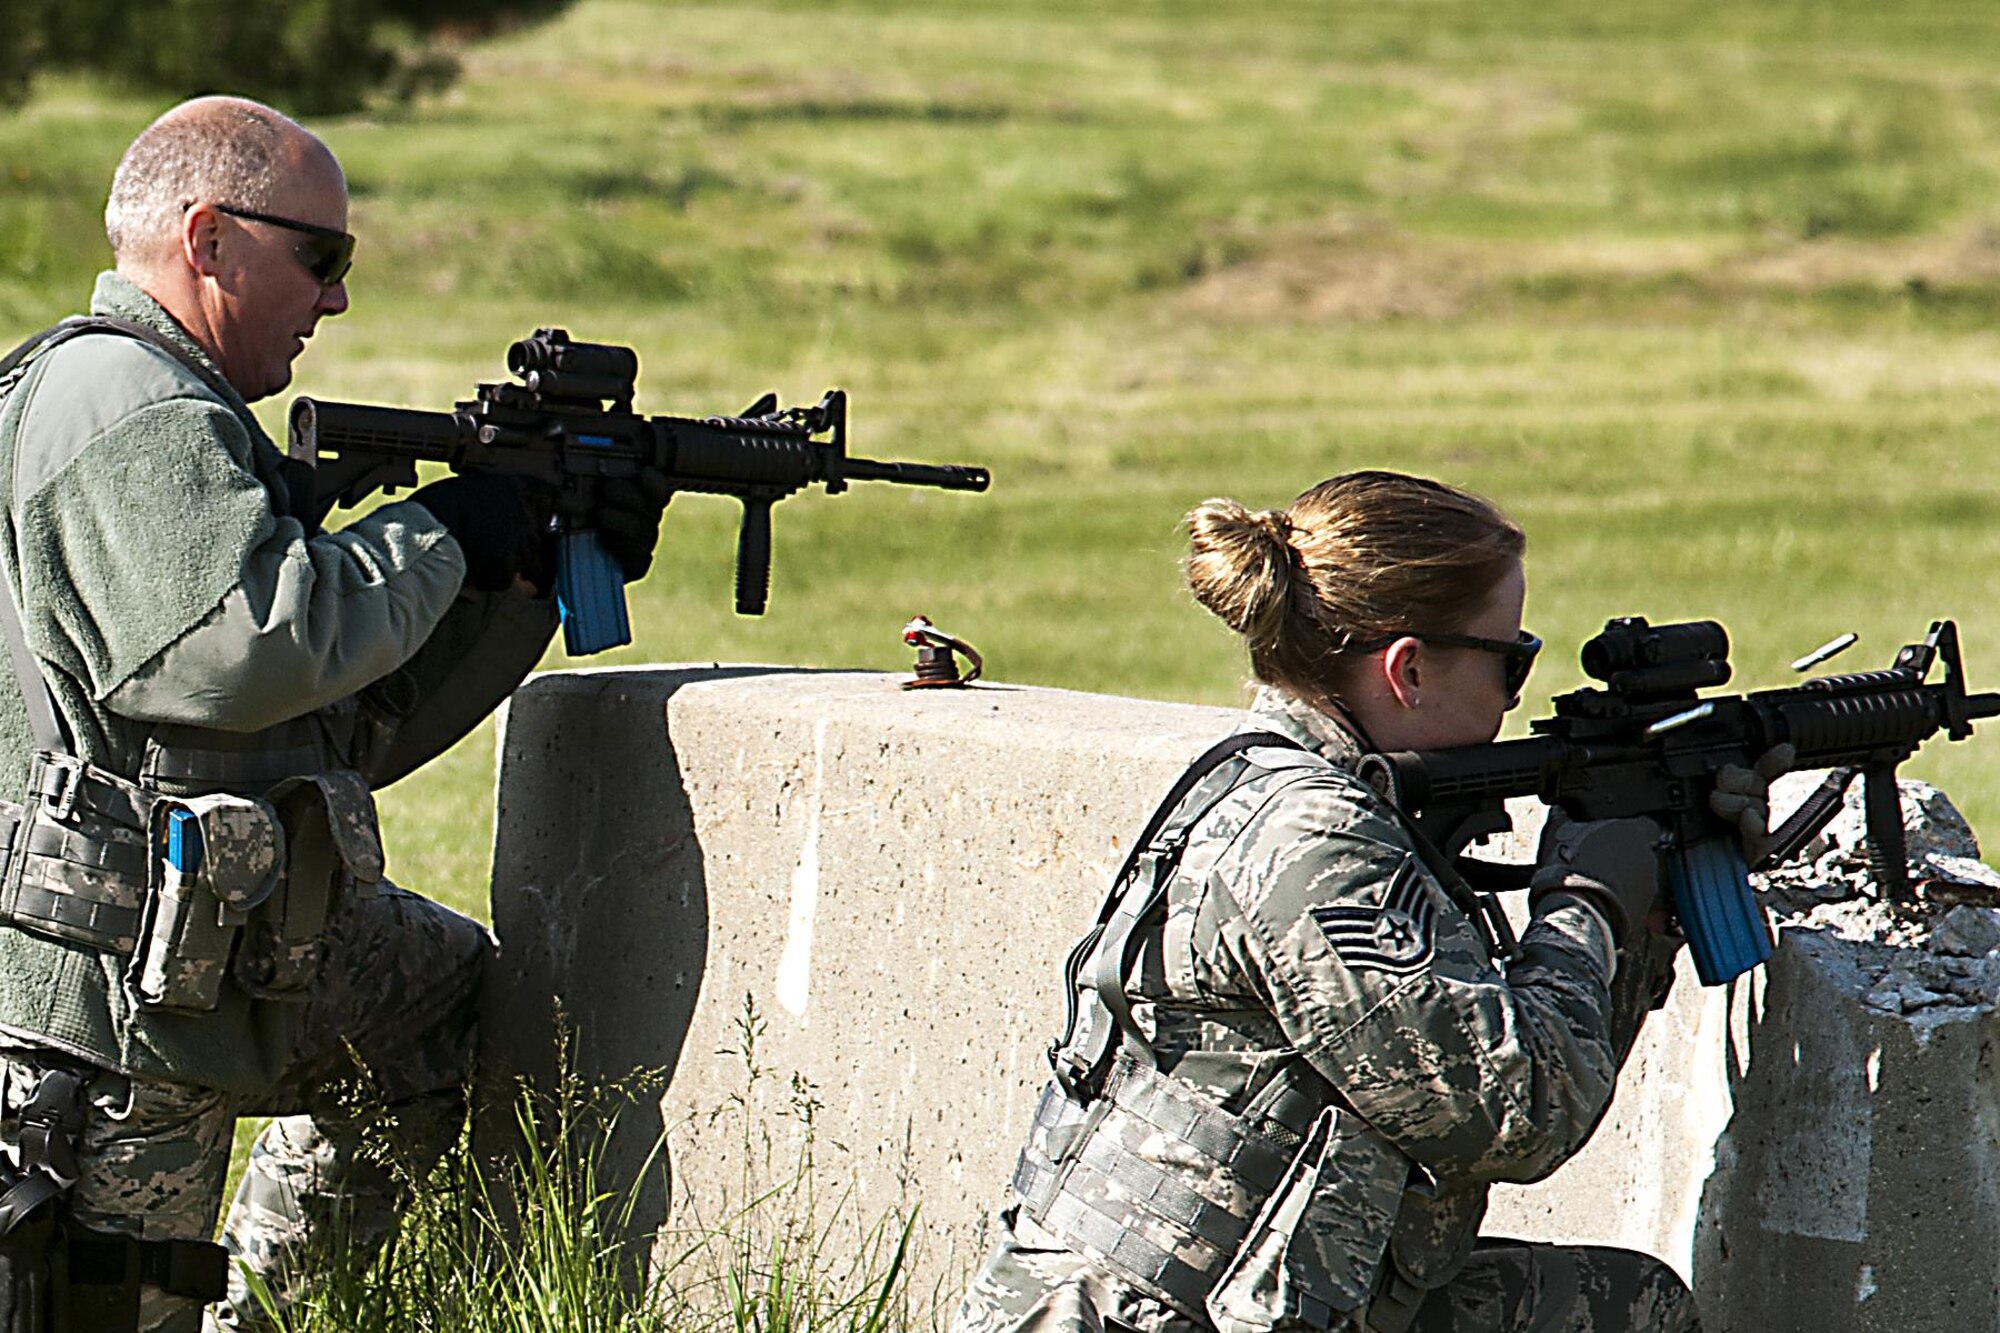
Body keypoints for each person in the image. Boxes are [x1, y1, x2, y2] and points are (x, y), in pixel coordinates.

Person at [0, 97, 668, 1331]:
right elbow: (244, 650)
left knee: (435, 1004)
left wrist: (510, 582)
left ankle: (260, 1312)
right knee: (95, 1308)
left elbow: (332, 729)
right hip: (102, 1003)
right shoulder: (125, 401)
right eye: (324, 259)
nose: (337, 300)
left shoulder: (179, 415)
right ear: (209, 240)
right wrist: (432, 533)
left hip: (205, 955)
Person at [955, 471, 1780, 1333]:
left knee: (1622, 1306)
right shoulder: (1316, 842)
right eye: (1510, 661)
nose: (1517, 698)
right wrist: (1587, 901)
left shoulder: (1287, 784)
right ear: (1409, 667)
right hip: (1156, 1318)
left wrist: (1645, 909)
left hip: (1207, 1304)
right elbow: (1521, 1112)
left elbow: (1530, 1061)